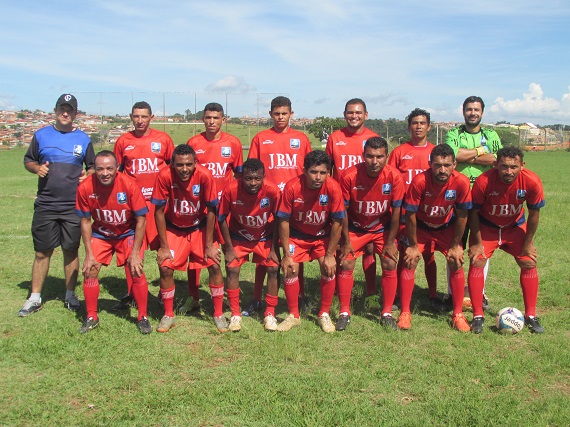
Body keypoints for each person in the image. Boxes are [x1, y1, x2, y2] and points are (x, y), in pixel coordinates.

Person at [19, 94, 95, 317]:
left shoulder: (83, 139)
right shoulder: (41, 135)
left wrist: (87, 175)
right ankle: (34, 298)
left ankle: (70, 295)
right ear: (55, 111)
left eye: (69, 110)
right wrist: (36, 169)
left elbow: (92, 166)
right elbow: (28, 160)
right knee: (42, 252)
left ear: (75, 114)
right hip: (46, 204)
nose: (65, 113)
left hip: (74, 206)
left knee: (70, 250)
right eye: (62, 109)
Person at [467, 147, 545, 334]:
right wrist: (477, 242)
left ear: (522, 166)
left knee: (528, 262)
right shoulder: (484, 181)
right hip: (487, 227)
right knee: (477, 260)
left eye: (513, 167)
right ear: (496, 165)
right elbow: (473, 212)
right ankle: (478, 315)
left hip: (514, 227)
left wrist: (527, 243)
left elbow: (534, 214)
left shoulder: (531, 181)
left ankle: (531, 316)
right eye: (504, 167)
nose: (509, 172)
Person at [247, 96, 312, 315]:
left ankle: (300, 296)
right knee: (266, 250)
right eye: (277, 113)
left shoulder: (301, 139)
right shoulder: (260, 138)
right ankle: (257, 297)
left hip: (295, 201)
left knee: (294, 250)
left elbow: (308, 170)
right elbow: (252, 170)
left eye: (284, 113)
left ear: (291, 114)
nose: (281, 117)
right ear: (271, 114)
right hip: (268, 202)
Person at [151, 144, 226, 332]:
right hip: (175, 227)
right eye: (180, 165)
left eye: (189, 164)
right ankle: (168, 315)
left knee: (214, 264)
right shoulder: (164, 175)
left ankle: (218, 314)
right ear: (172, 165)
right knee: (166, 266)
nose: (184, 169)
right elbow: (158, 211)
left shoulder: (205, 175)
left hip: (200, 225)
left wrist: (209, 245)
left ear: (195, 163)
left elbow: (211, 210)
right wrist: (164, 246)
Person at [75, 151, 151, 334]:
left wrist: (135, 253)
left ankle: (142, 316)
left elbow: (141, 219)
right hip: (101, 234)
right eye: (100, 169)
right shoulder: (85, 188)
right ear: (94, 169)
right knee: (90, 270)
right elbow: (85, 221)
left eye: (109, 168)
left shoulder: (129, 185)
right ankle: (92, 316)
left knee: (136, 269)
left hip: (128, 232)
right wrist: (89, 254)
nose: (105, 173)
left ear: (117, 168)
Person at [399, 144, 472, 332]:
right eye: (438, 165)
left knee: (456, 260)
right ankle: (405, 312)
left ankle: (457, 314)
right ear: (430, 163)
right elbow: (410, 214)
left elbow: (463, 215)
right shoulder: (420, 181)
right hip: (421, 227)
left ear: (454, 164)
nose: (442, 170)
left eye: (447, 165)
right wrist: (413, 245)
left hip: (445, 228)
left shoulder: (461, 182)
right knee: (411, 259)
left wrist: (456, 245)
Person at [276, 150, 346, 333]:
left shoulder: (333, 188)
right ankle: (293, 315)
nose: (318, 177)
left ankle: (324, 313)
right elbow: (283, 220)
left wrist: (330, 255)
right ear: (304, 170)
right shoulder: (292, 187)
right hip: (297, 236)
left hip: (321, 236)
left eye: (323, 173)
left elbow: (338, 222)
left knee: (328, 267)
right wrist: (286, 254)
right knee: (291, 268)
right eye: (314, 172)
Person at [112, 101, 174, 309]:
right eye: (136, 116)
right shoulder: (123, 141)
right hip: (133, 206)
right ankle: (133, 292)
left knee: (163, 247)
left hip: (157, 205)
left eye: (144, 116)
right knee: (133, 248)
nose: (140, 120)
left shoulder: (163, 139)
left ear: (151, 117)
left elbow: (173, 169)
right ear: (131, 117)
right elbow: (117, 173)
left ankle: (163, 290)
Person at [339, 137, 404, 331]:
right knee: (347, 260)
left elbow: (396, 212)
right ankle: (344, 311)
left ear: (386, 157)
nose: (374, 161)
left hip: (381, 228)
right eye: (369, 156)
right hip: (356, 228)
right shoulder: (349, 176)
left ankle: (386, 313)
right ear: (362, 156)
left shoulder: (394, 177)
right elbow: (343, 212)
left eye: (379, 157)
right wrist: (345, 240)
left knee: (390, 261)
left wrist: (390, 242)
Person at [184, 102, 244, 314]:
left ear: (223, 120)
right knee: (196, 252)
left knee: (227, 249)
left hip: (225, 208)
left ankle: (227, 295)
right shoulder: (194, 142)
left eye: (216, 118)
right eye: (208, 118)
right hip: (200, 207)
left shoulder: (234, 143)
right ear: (203, 119)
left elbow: (238, 177)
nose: (211, 122)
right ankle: (193, 296)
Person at [446, 96, 503, 309]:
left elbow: (498, 159)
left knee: (481, 246)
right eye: (469, 109)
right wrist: (481, 151)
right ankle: (453, 293)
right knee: (455, 244)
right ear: (463, 112)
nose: (472, 113)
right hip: (458, 198)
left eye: (476, 109)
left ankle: (478, 291)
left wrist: (466, 156)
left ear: (482, 112)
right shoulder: (454, 133)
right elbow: (452, 155)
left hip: (483, 198)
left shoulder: (491, 134)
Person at [326, 98, 380, 310]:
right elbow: (328, 170)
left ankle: (370, 292)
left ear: (366, 115)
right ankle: (342, 291)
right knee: (342, 247)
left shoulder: (373, 138)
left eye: (358, 112)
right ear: (344, 114)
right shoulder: (335, 137)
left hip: (367, 201)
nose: (354, 116)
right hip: (341, 203)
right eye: (350, 112)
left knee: (369, 247)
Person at [388, 108, 443, 311]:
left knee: (429, 255)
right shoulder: (400, 152)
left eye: (422, 123)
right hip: (405, 212)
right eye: (414, 123)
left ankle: (433, 294)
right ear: (409, 126)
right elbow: (390, 178)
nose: (418, 126)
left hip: (428, 213)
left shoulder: (435, 151)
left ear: (429, 126)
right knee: (404, 254)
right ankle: (398, 295)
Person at [218, 158, 281, 331]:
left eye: (257, 178)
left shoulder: (273, 191)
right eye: (248, 178)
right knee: (232, 268)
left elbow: (278, 219)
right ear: (241, 177)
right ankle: (235, 315)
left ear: (264, 177)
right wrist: (228, 248)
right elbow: (221, 218)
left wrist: (275, 248)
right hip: (240, 236)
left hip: (264, 236)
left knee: (274, 268)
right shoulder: (230, 189)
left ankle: (269, 313)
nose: (253, 183)